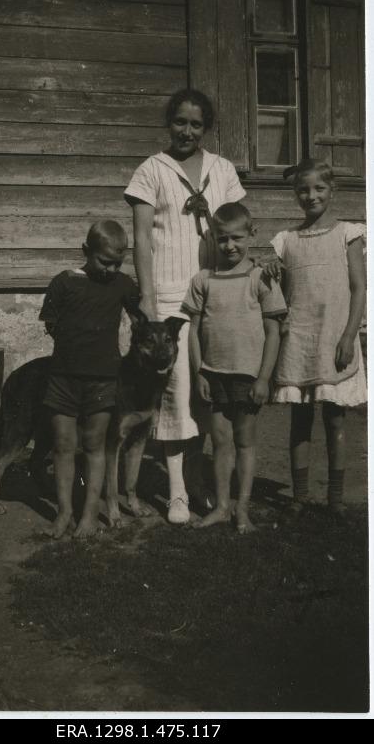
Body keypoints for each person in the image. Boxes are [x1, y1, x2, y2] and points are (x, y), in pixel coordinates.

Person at [124, 88, 247, 524]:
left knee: (206, 393)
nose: (187, 131)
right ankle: (177, 492)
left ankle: (198, 483)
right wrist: (147, 297)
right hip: (170, 300)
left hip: (214, 293)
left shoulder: (222, 170)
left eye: (196, 124)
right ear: (168, 123)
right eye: (180, 122)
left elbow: (237, 227)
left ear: (206, 128)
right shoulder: (151, 170)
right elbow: (141, 240)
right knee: (176, 396)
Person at [268, 159, 366, 517]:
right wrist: (271, 271)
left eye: (319, 189)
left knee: (336, 419)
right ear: (296, 195)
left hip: (335, 338)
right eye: (304, 190)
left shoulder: (348, 234)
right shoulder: (285, 241)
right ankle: (300, 495)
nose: (311, 196)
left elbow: (359, 289)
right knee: (300, 420)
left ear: (332, 190)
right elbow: (277, 288)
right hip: (300, 339)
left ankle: (336, 498)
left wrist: (348, 335)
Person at [183, 202, 287, 534]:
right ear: (213, 238)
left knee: (245, 441)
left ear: (251, 234)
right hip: (214, 374)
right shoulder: (203, 280)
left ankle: (242, 509)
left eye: (236, 238)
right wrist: (199, 371)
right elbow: (194, 331)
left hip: (247, 376)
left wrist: (264, 378)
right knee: (220, 441)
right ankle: (222, 507)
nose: (229, 246)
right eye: (222, 239)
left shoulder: (261, 279)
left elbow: (273, 333)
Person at [39, 220, 139, 539]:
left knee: (95, 445)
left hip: (103, 380)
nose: (110, 269)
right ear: (86, 251)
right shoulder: (64, 283)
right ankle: (65, 511)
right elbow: (50, 323)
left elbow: (142, 314)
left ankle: (89, 513)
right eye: (104, 261)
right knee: (64, 445)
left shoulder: (123, 285)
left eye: (117, 263)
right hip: (63, 378)